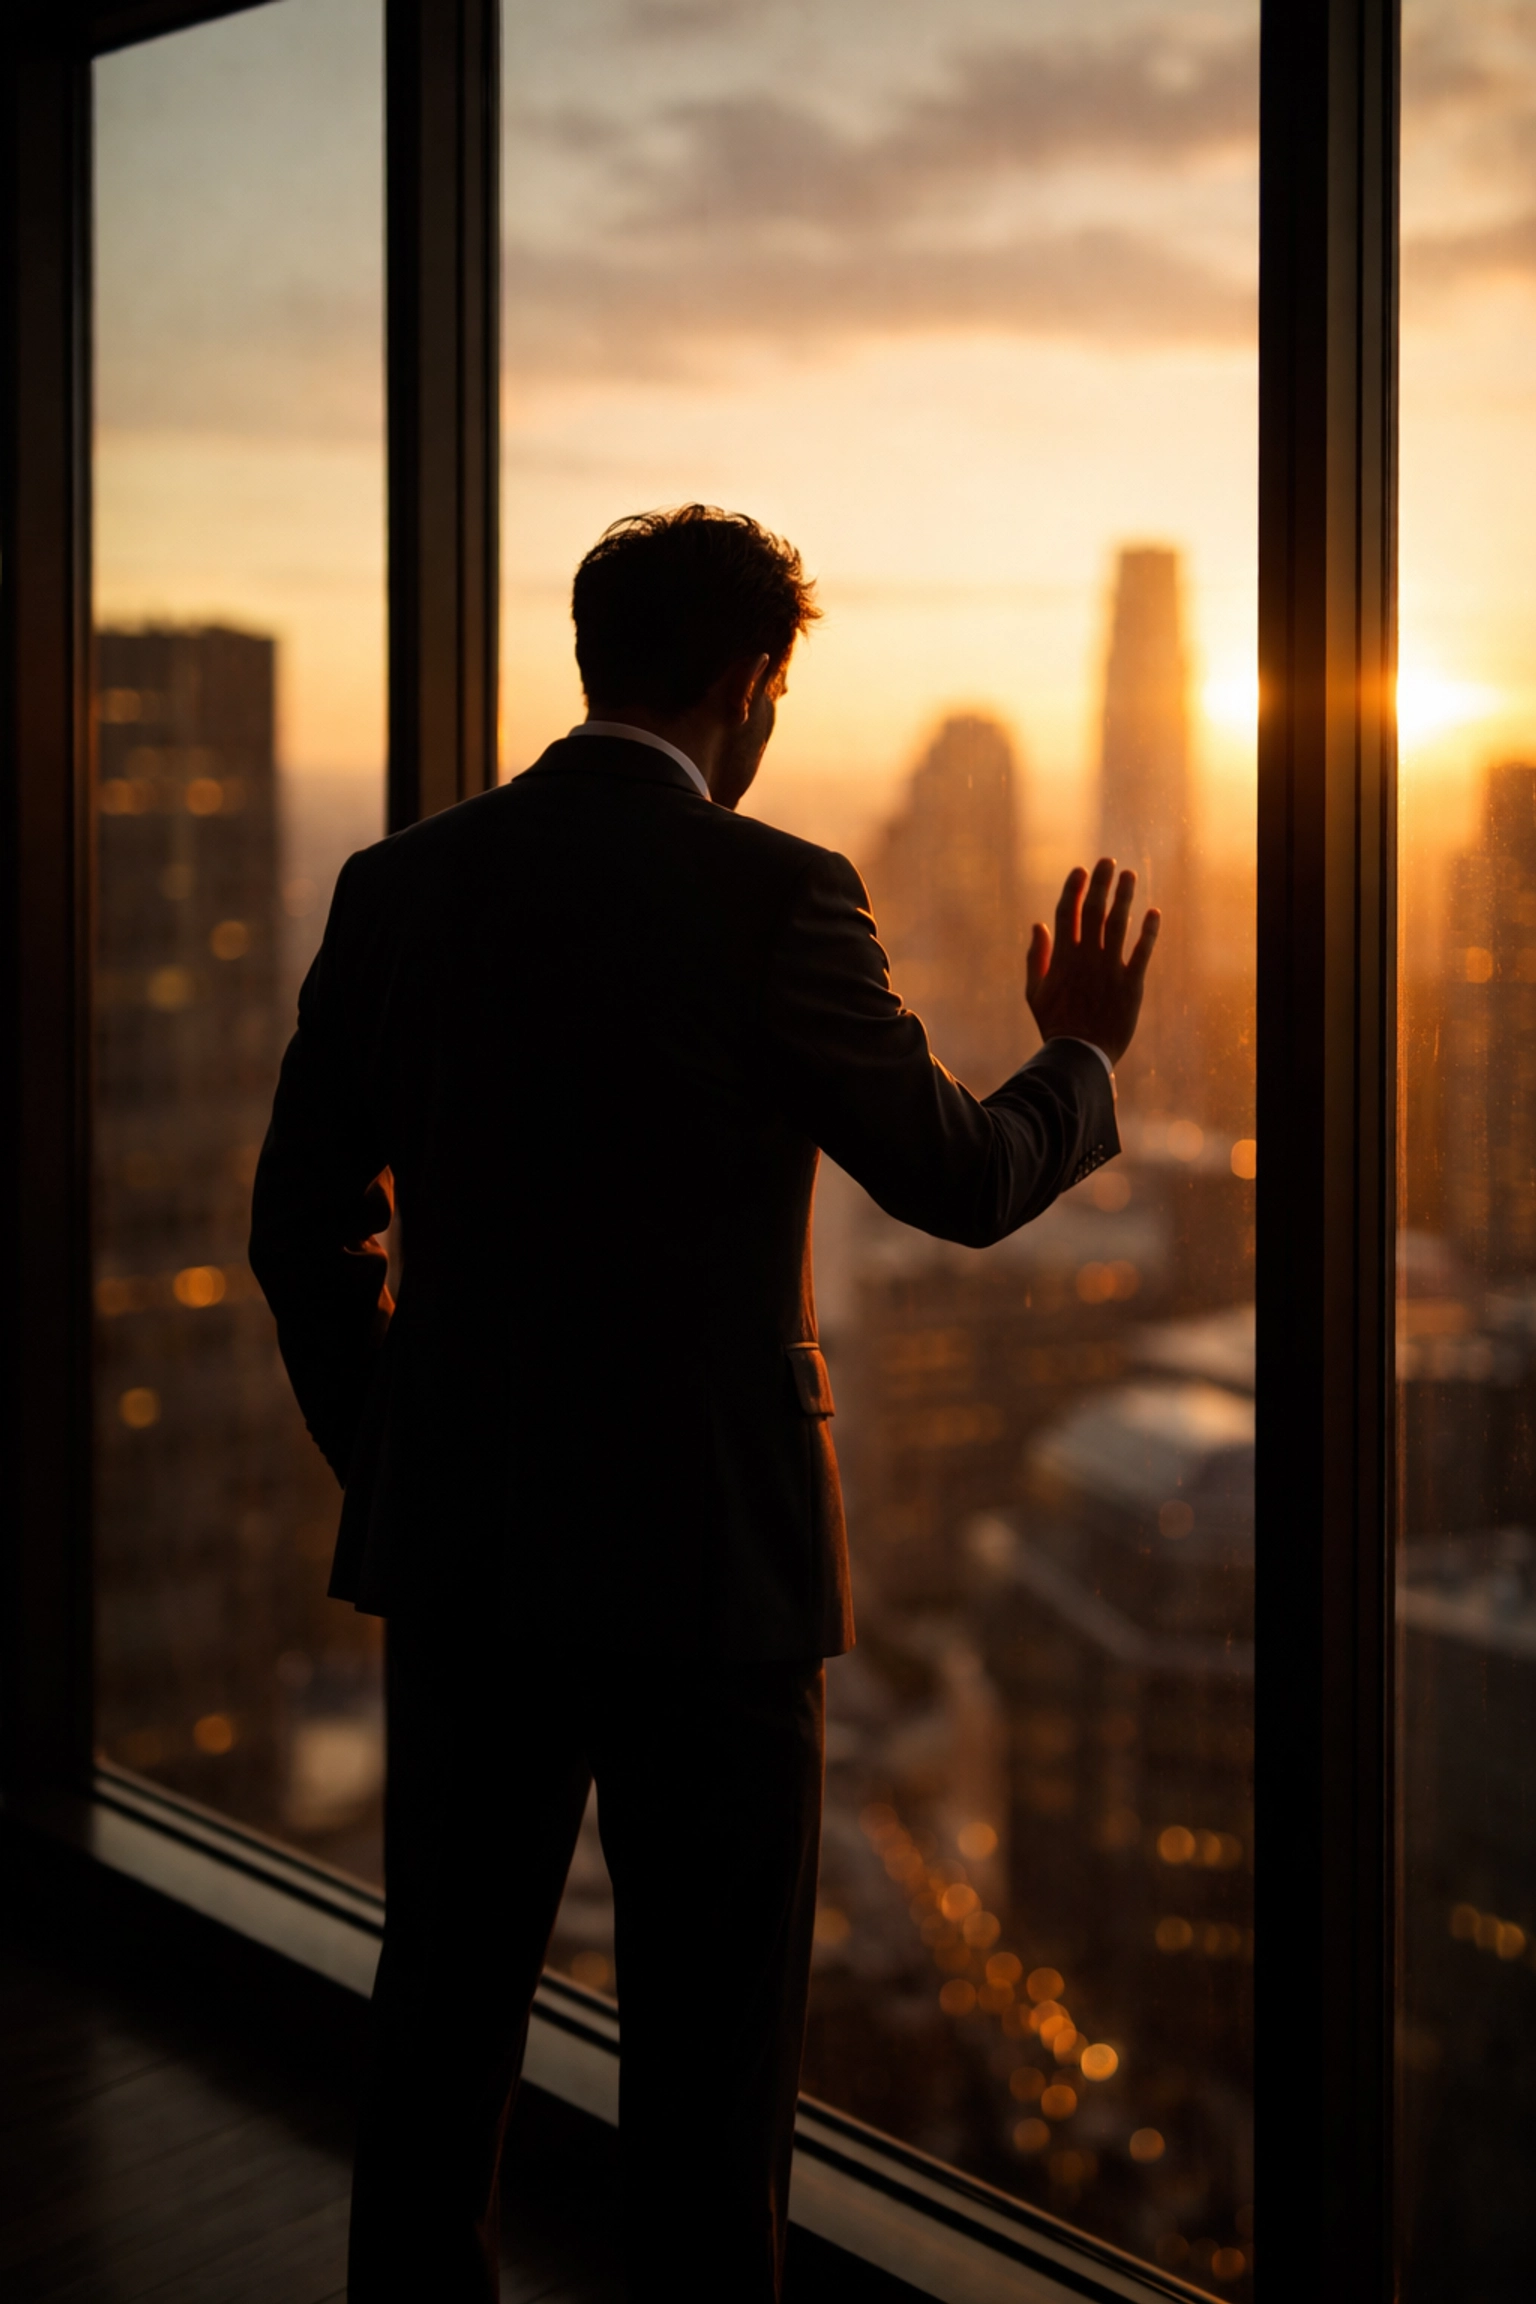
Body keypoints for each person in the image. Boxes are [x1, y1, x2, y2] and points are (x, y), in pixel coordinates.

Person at [249, 504, 1159, 2302]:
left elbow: (297, 1233)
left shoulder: (399, 887)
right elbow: (961, 1180)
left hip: (470, 1562)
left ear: (596, 659)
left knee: (437, 2042)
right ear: (752, 682)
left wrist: (411, 1460)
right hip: (709, 1585)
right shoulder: (779, 895)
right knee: (707, 2098)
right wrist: (1085, 1054)